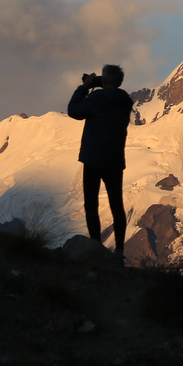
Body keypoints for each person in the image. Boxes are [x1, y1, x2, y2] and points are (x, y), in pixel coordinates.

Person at [67, 63, 134, 254]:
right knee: (117, 205)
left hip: (93, 158)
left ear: (103, 80)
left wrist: (84, 87)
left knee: (91, 204)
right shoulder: (125, 101)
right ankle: (119, 251)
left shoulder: (96, 98)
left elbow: (74, 111)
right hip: (114, 160)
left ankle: (95, 246)